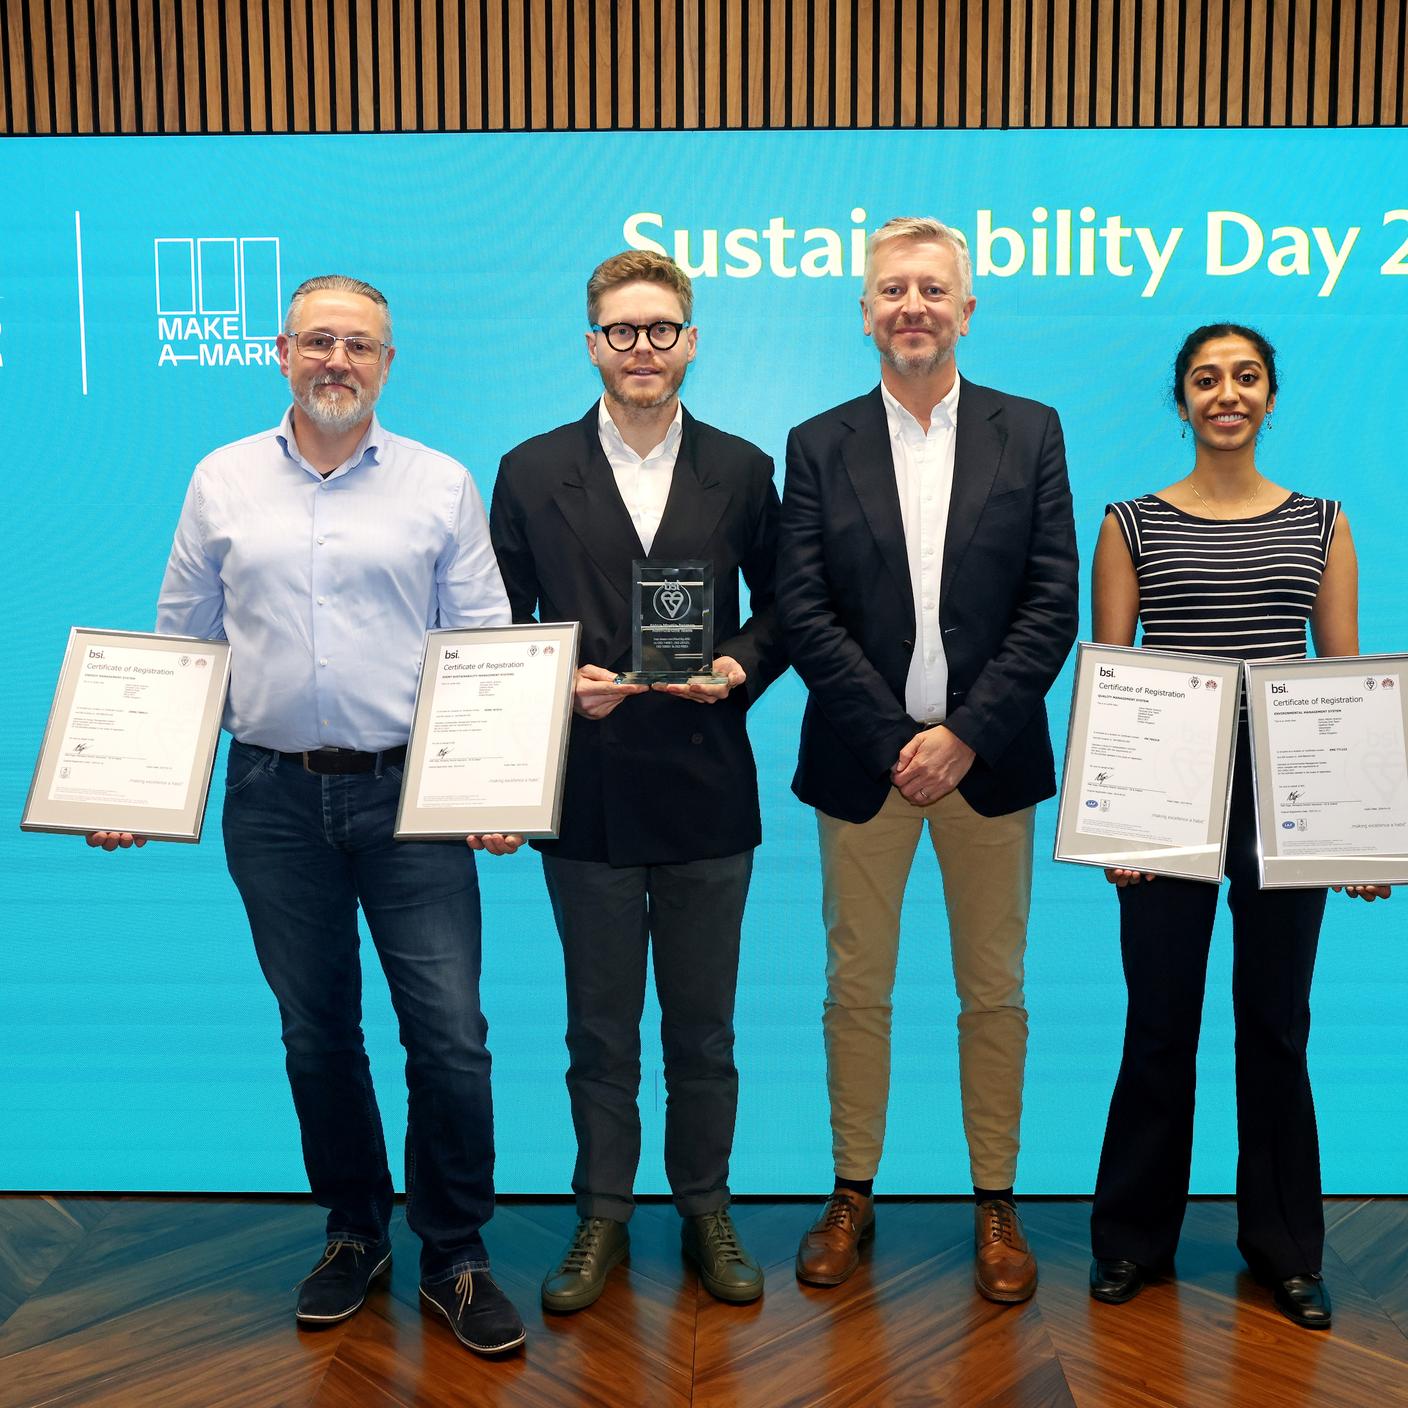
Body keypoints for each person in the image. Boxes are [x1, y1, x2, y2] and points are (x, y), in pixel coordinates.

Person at [89, 274, 526, 1355]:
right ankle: (353, 1230)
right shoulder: (220, 480)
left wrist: (498, 785)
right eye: (319, 341)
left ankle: (457, 1252)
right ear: (281, 350)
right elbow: (183, 643)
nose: (339, 360)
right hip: (272, 798)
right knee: (316, 1033)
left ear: (388, 362)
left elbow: (483, 645)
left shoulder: (438, 484)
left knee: (451, 1037)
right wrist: (131, 784)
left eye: (361, 346)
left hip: (410, 797)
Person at [776, 216, 1078, 1301]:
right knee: (856, 985)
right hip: (865, 770)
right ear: (864, 312)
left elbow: (1051, 605)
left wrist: (961, 736)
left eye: (932, 290)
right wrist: (899, 742)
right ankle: (851, 1190)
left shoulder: (1028, 431)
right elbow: (803, 612)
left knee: (992, 989)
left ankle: (994, 1202)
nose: (912, 307)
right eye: (892, 290)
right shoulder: (816, 443)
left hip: (986, 765)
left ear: (965, 309)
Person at [489, 249, 785, 1313]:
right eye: (623, 331)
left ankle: (705, 1204)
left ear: (692, 341)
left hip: (709, 788)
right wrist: (555, 682)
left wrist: (735, 667)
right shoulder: (528, 471)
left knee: (704, 1028)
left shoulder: (745, 470)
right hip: (587, 789)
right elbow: (497, 627)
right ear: (591, 345)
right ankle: (600, 1214)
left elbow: (785, 609)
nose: (643, 348)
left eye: (662, 329)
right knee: (600, 1028)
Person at [1087, 322, 1390, 1330]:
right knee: (1158, 1024)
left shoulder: (1322, 522)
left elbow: (1337, 677)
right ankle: (1131, 1241)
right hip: (1166, 796)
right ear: (1181, 402)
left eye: (1245, 377)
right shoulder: (1128, 521)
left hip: (1286, 802)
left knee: (1276, 1026)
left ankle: (1286, 1251)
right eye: (1206, 379)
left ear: (1270, 397)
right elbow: (1114, 678)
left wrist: (1354, 832)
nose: (1226, 393)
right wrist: (1118, 819)